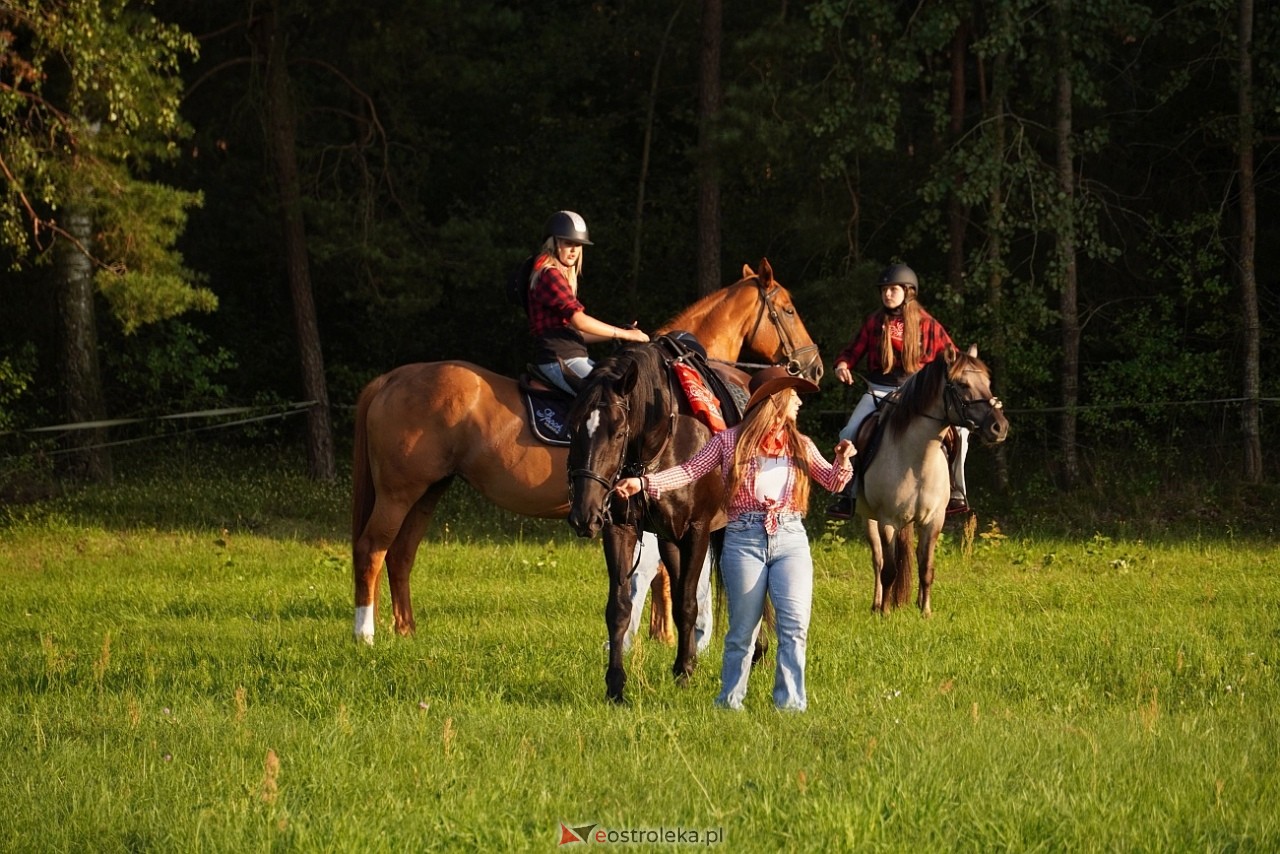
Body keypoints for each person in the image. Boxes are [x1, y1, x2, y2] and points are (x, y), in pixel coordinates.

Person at [613, 366, 855, 712]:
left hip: (791, 539)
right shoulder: (729, 442)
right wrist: (644, 483)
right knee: (742, 630)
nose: (799, 402)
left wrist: (843, 461)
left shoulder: (801, 445)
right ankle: (730, 701)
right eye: (793, 395)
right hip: (744, 540)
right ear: (775, 400)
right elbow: (689, 471)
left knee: (795, 626)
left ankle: (790, 704)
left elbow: (832, 482)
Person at [826, 263, 970, 519]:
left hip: (918, 393)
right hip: (879, 390)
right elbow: (851, 352)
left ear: (908, 291)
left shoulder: (929, 324)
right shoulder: (874, 322)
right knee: (849, 432)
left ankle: (957, 491)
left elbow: (953, 359)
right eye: (884, 290)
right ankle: (847, 493)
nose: (887, 294)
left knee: (960, 431)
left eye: (893, 289)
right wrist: (842, 364)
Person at [527, 210, 648, 395]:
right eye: (568, 243)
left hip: (571, 356)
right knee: (609, 398)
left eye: (578, 245)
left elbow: (579, 334)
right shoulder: (549, 274)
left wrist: (619, 334)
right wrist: (625, 333)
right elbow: (580, 321)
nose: (574, 250)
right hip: (559, 359)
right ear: (553, 243)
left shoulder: (556, 275)